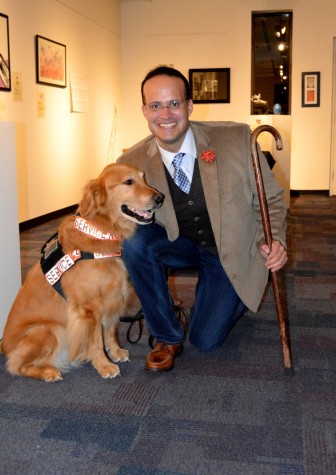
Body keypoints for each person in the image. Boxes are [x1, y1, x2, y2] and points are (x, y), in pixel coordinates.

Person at [117, 65, 287, 371]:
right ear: (144, 110)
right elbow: (117, 210)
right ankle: (166, 335)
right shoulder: (131, 162)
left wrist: (273, 241)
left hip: (230, 251)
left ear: (189, 105)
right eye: (155, 105)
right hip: (178, 244)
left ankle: (229, 294)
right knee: (135, 243)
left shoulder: (237, 140)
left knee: (205, 340)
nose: (165, 114)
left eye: (174, 103)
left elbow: (271, 199)